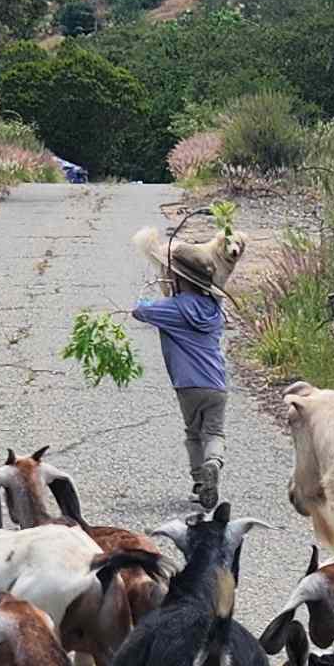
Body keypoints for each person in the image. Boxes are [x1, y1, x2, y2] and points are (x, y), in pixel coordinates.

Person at [129, 212, 243, 511]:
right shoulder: (214, 309)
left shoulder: (174, 309)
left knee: (193, 433)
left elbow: (140, 311)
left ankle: (199, 483)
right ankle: (214, 462)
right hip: (217, 384)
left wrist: (158, 287)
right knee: (214, 432)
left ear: (177, 279)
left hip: (188, 385)